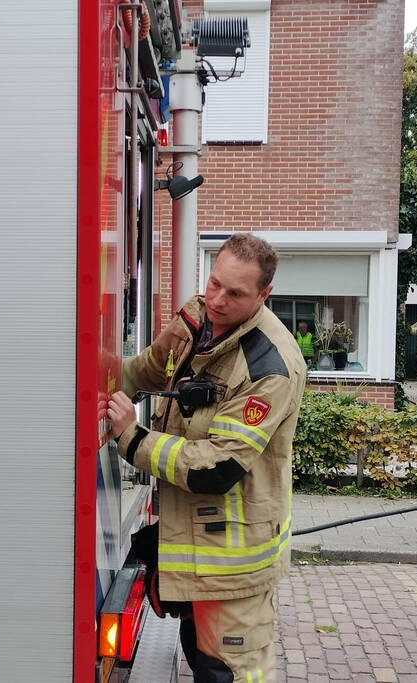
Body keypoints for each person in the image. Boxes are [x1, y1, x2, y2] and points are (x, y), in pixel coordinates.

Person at [107, 233, 306, 682]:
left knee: (229, 675)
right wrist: (90, 371)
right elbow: (144, 370)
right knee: (201, 664)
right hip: (198, 548)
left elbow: (218, 467)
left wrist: (131, 437)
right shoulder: (198, 319)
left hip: (235, 567)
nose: (216, 300)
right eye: (214, 283)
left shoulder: (270, 368)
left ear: (264, 295)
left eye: (235, 293)